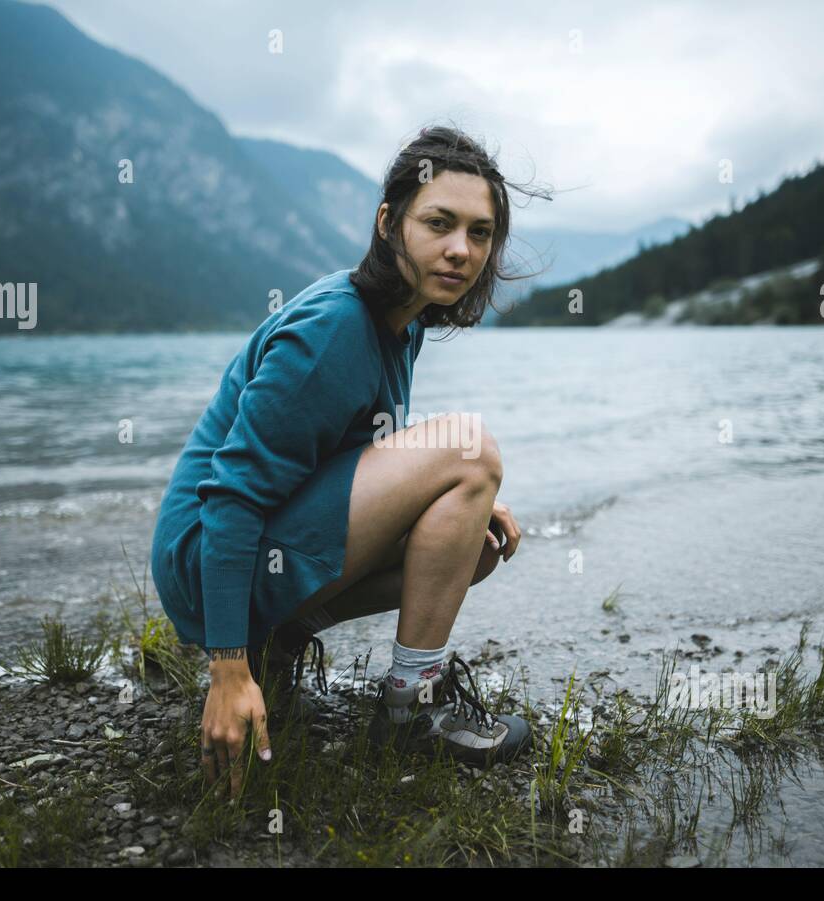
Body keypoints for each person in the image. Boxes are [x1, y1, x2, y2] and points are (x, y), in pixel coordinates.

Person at [150, 124, 552, 799]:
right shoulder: (334, 328)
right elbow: (234, 496)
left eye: (480, 233)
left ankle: (277, 642)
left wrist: (457, 499)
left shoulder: (406, 321)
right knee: (469, 446)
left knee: (471, 545)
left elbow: (345, 454)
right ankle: (407, 712)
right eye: (439, 223)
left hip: (257, 549)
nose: (461, 249)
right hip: (206, 558)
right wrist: (224, 670)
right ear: (389, 224)